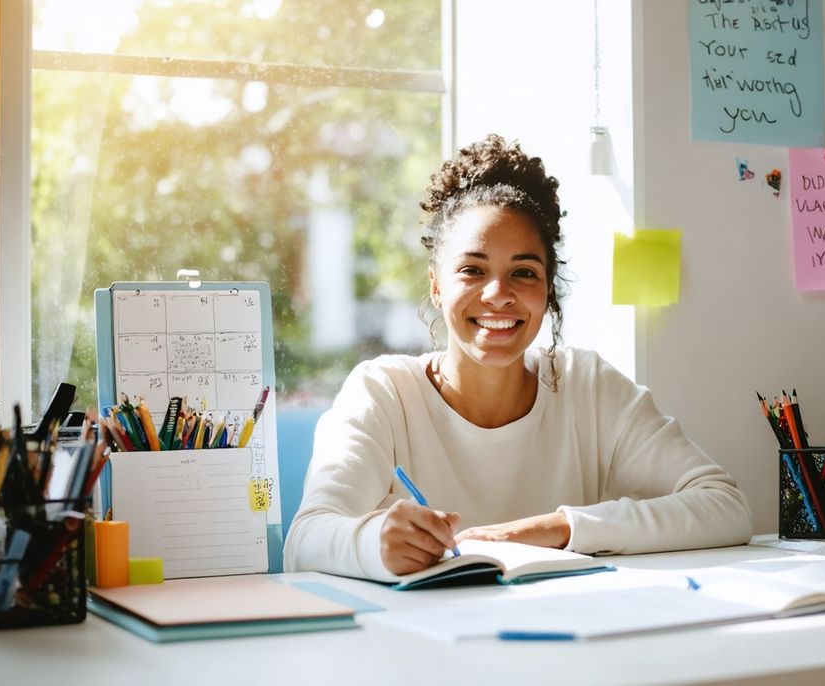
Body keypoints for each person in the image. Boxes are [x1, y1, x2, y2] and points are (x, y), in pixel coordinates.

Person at [284, 134, 752, 580]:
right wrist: (372, 542)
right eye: (472, 269)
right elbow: (304, 540)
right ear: (436, 284)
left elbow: (725, 507)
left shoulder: (588, 386)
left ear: (547, 288)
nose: (498, 295)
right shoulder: (383, 393)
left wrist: (561, 528)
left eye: (523, 272)